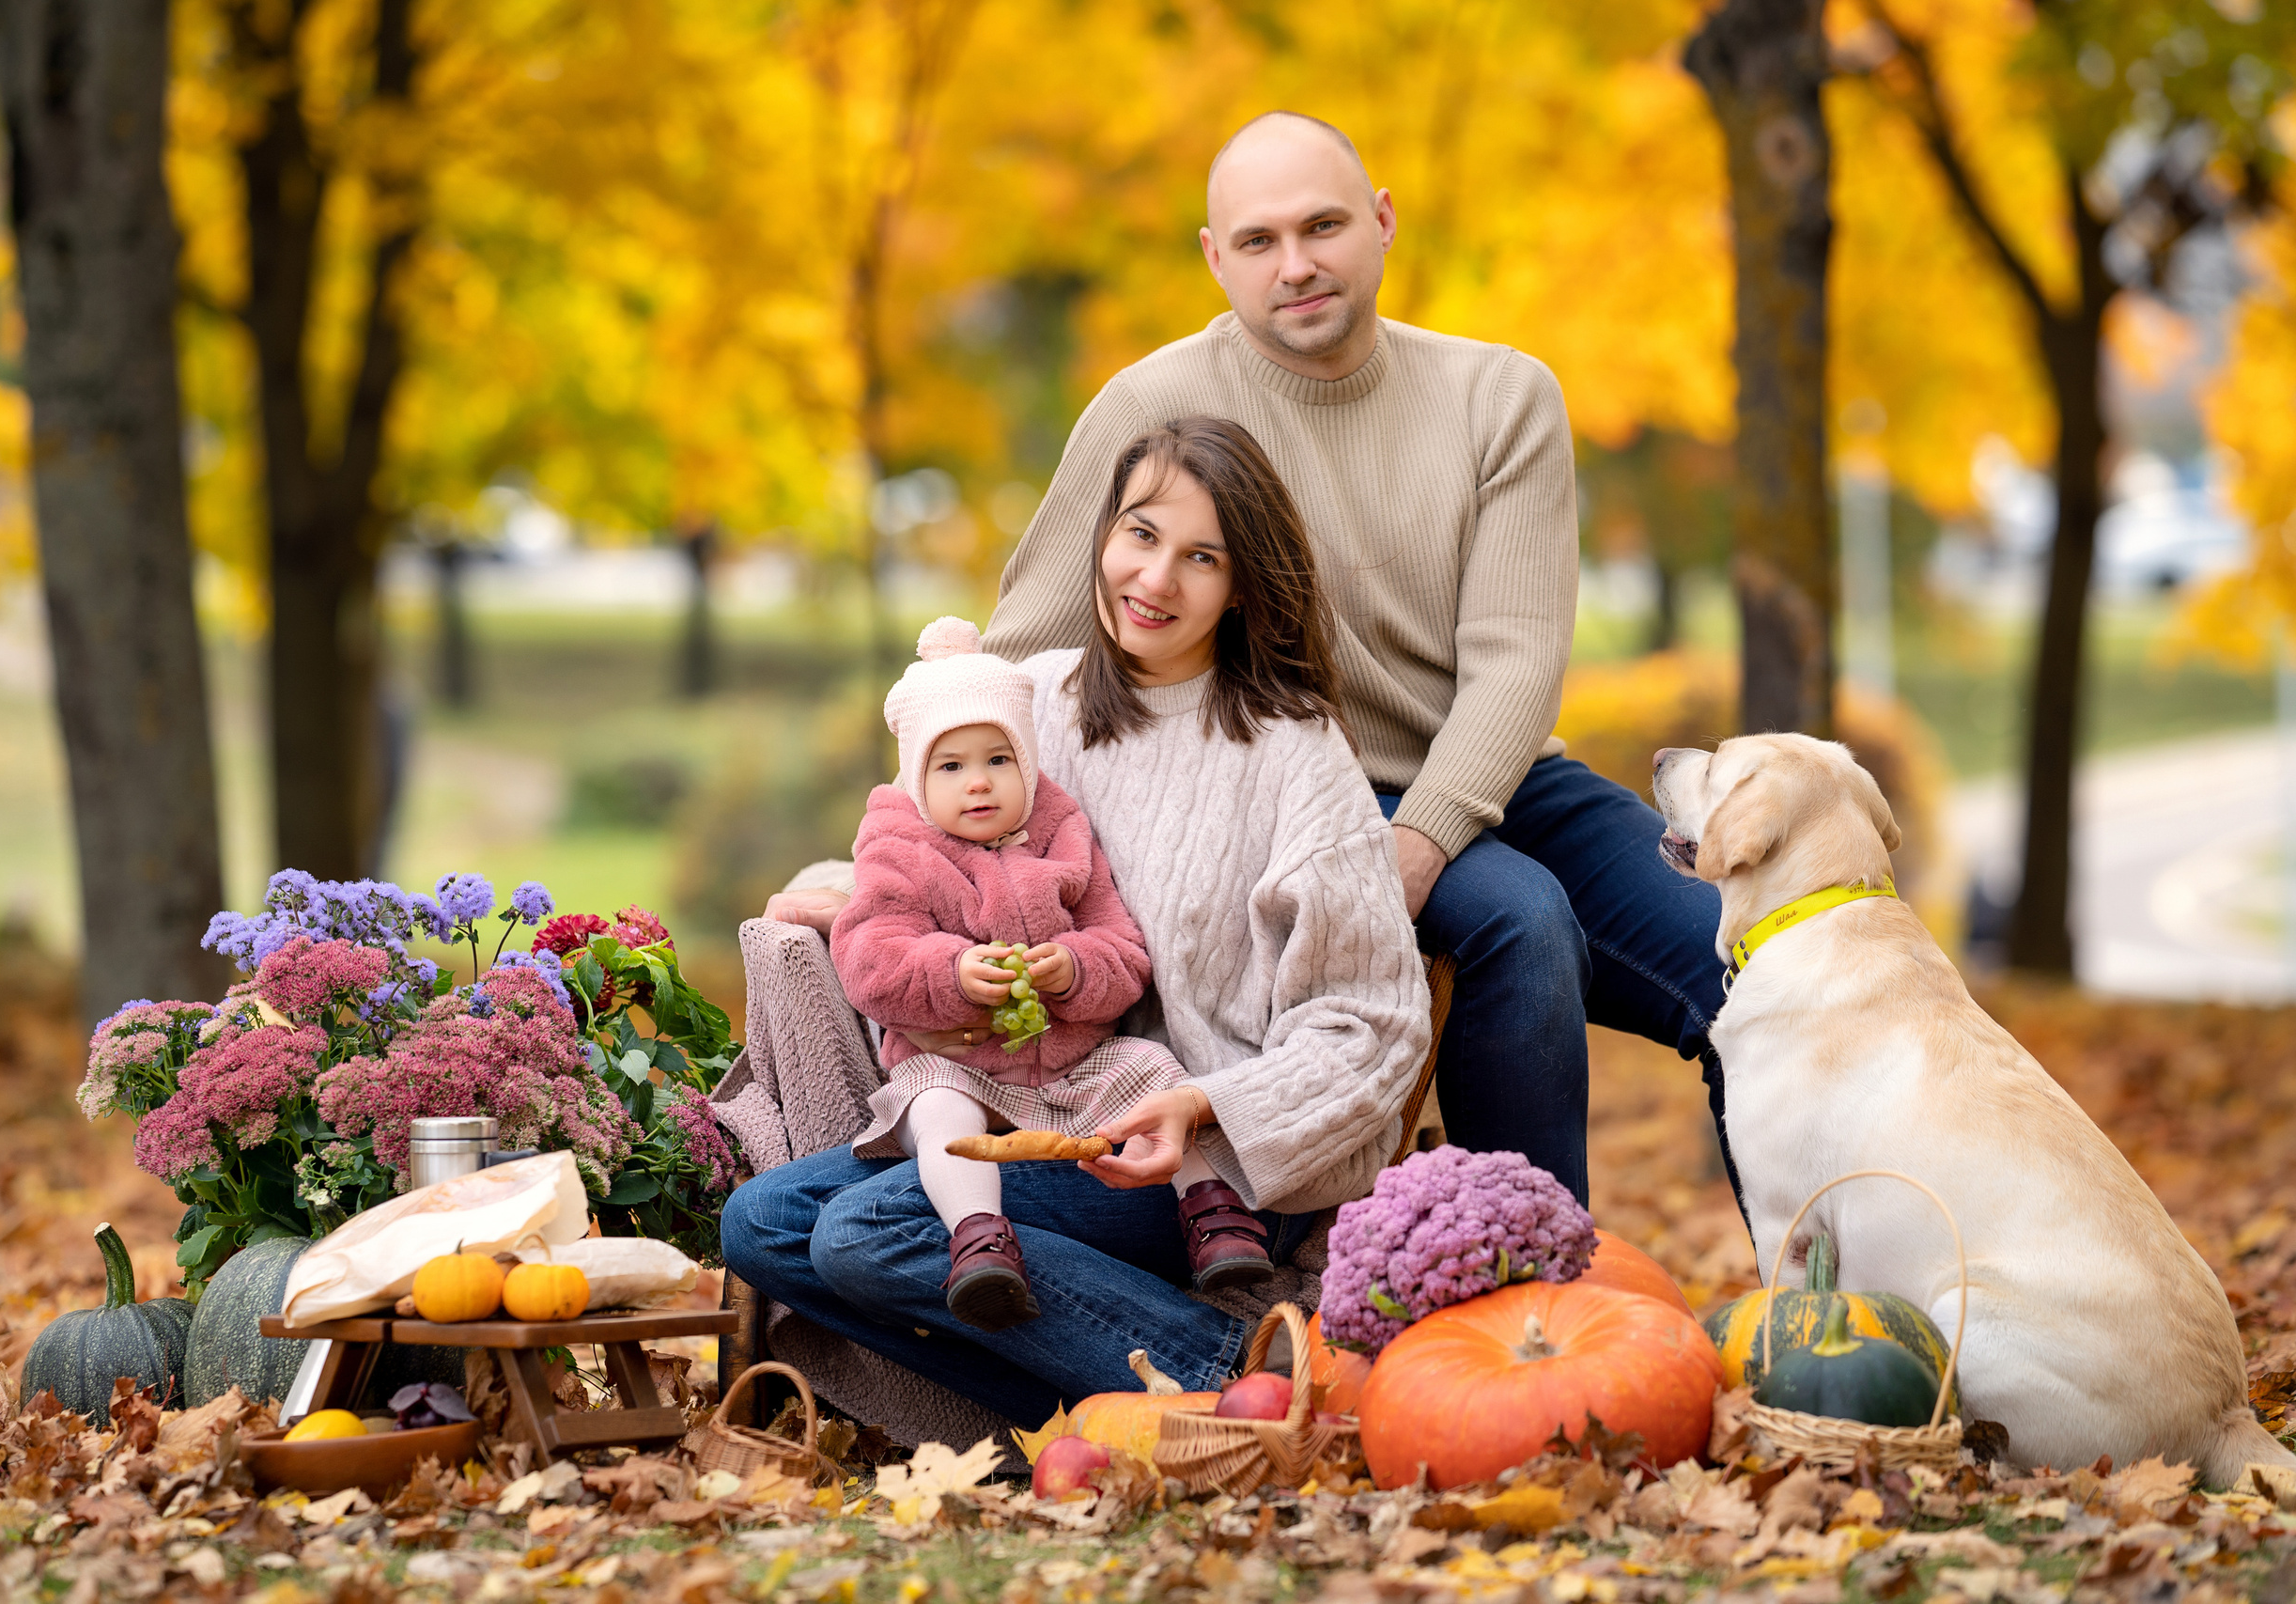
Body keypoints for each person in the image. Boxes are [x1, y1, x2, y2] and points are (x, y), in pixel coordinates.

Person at [978, 110, 1733, 1207]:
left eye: (1323, 226)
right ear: (1213, 258)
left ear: (1380, 223)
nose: (1296, 266)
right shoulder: (1150, 407)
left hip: (1495, 771)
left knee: (1748, 964)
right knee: (1518, 919)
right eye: (1257, 242)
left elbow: (1516, 661)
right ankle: (1521, 1290)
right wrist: (908, 842)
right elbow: (1014, 658)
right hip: (1285, 788)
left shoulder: (1499, 398)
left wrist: (1420, 841)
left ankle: (1822, 1323)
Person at [722, 415, 1429, 1427]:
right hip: (1025, 1101)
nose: (1156, 580)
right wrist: (836, 892)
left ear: (1244, 584)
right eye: (1140, 535)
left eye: (1202, 558)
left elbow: (1373, 1025)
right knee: (761, 1224)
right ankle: (1076, 1419)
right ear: (1102, 534)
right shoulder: (1032, 700)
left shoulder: (1292, 753)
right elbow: (935, 836)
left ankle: (1228, 1375)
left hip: (1192, 1164)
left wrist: (1211, 1110)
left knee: (865, 1232)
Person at [832, 615, 1275, 1335]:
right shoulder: (898, 843)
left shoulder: (1062, 825)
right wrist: (951, 969)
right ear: (917, 776)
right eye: (951, 767)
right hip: (958, 1063)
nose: (978, 782)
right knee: (935, 1107)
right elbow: (869, 956)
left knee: (1154, 1068)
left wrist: (1073, 969)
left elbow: (1124, 951)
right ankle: (979, 1238)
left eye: (998, 759)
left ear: (1028, 759)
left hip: (1074, 1062)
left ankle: (1214, 1210)